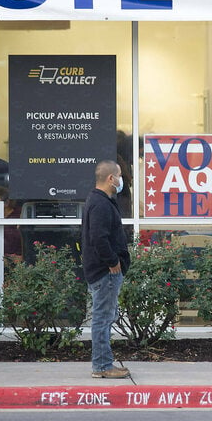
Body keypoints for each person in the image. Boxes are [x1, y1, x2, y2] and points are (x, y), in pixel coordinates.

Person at [81, 160, 131, 379]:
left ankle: (104, 362)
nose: (121, 180)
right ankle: (102, 366)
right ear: (111, 178)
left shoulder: (99, 200)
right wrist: (113, 262)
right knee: (102, 318)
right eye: (119, 176)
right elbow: (99, 239)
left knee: (105, 317)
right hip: (105, 272)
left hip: (104, 271)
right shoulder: (100, 204)